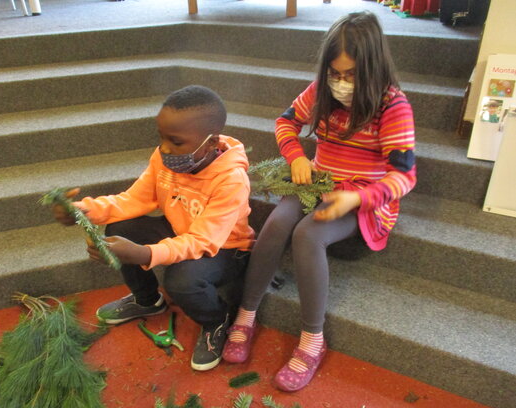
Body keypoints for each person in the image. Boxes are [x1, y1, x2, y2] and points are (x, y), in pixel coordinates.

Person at [222, 11, 417, 391]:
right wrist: (296, 157)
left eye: (351, 75)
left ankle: (313, 339)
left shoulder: (393, 107)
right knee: (277, 223)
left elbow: (404, 176)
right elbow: (284, 122)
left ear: (373, 70)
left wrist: (358, 198)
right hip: (319, 180)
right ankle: (246, 314)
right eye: (335, 73)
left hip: (361, 200)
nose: (341, 83)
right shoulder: (322, 90)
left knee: (308, 235)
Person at [52, 85, 254, 372]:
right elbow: (134, 199)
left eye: (176, 142)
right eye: (161, 137)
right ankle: (147, 301)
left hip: (225, 248)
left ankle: (216, 319)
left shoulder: (231, 180)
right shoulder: (163, 158)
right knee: (122, 226)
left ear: (211, 143)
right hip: (181, 230)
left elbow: (203, 241)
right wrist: (83, 211)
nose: (165, 149)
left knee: (181, 281)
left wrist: (146, 254)